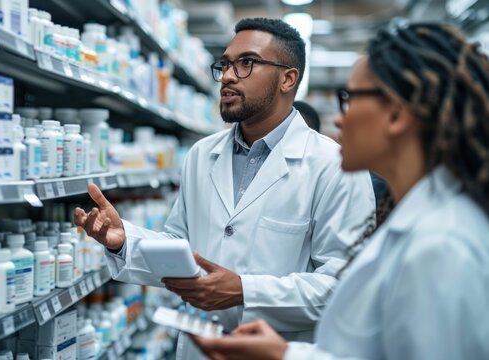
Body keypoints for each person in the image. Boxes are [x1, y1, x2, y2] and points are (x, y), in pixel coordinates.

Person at [75, 18, 374, 359]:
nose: (228, 76)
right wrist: (126, 240)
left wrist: (245, 291)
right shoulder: (202, 154)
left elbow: (344, 286)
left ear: (288, 79)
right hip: (200, 348)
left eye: (246, 63)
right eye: (226, 64)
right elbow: (182, 248)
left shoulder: (334, 165)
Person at [191, 22, 489, 360]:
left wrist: (286, 356)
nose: (339, 121)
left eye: (350, 99)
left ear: (396, 114)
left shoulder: (442, 245)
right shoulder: (420, 220)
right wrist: (286, 352)